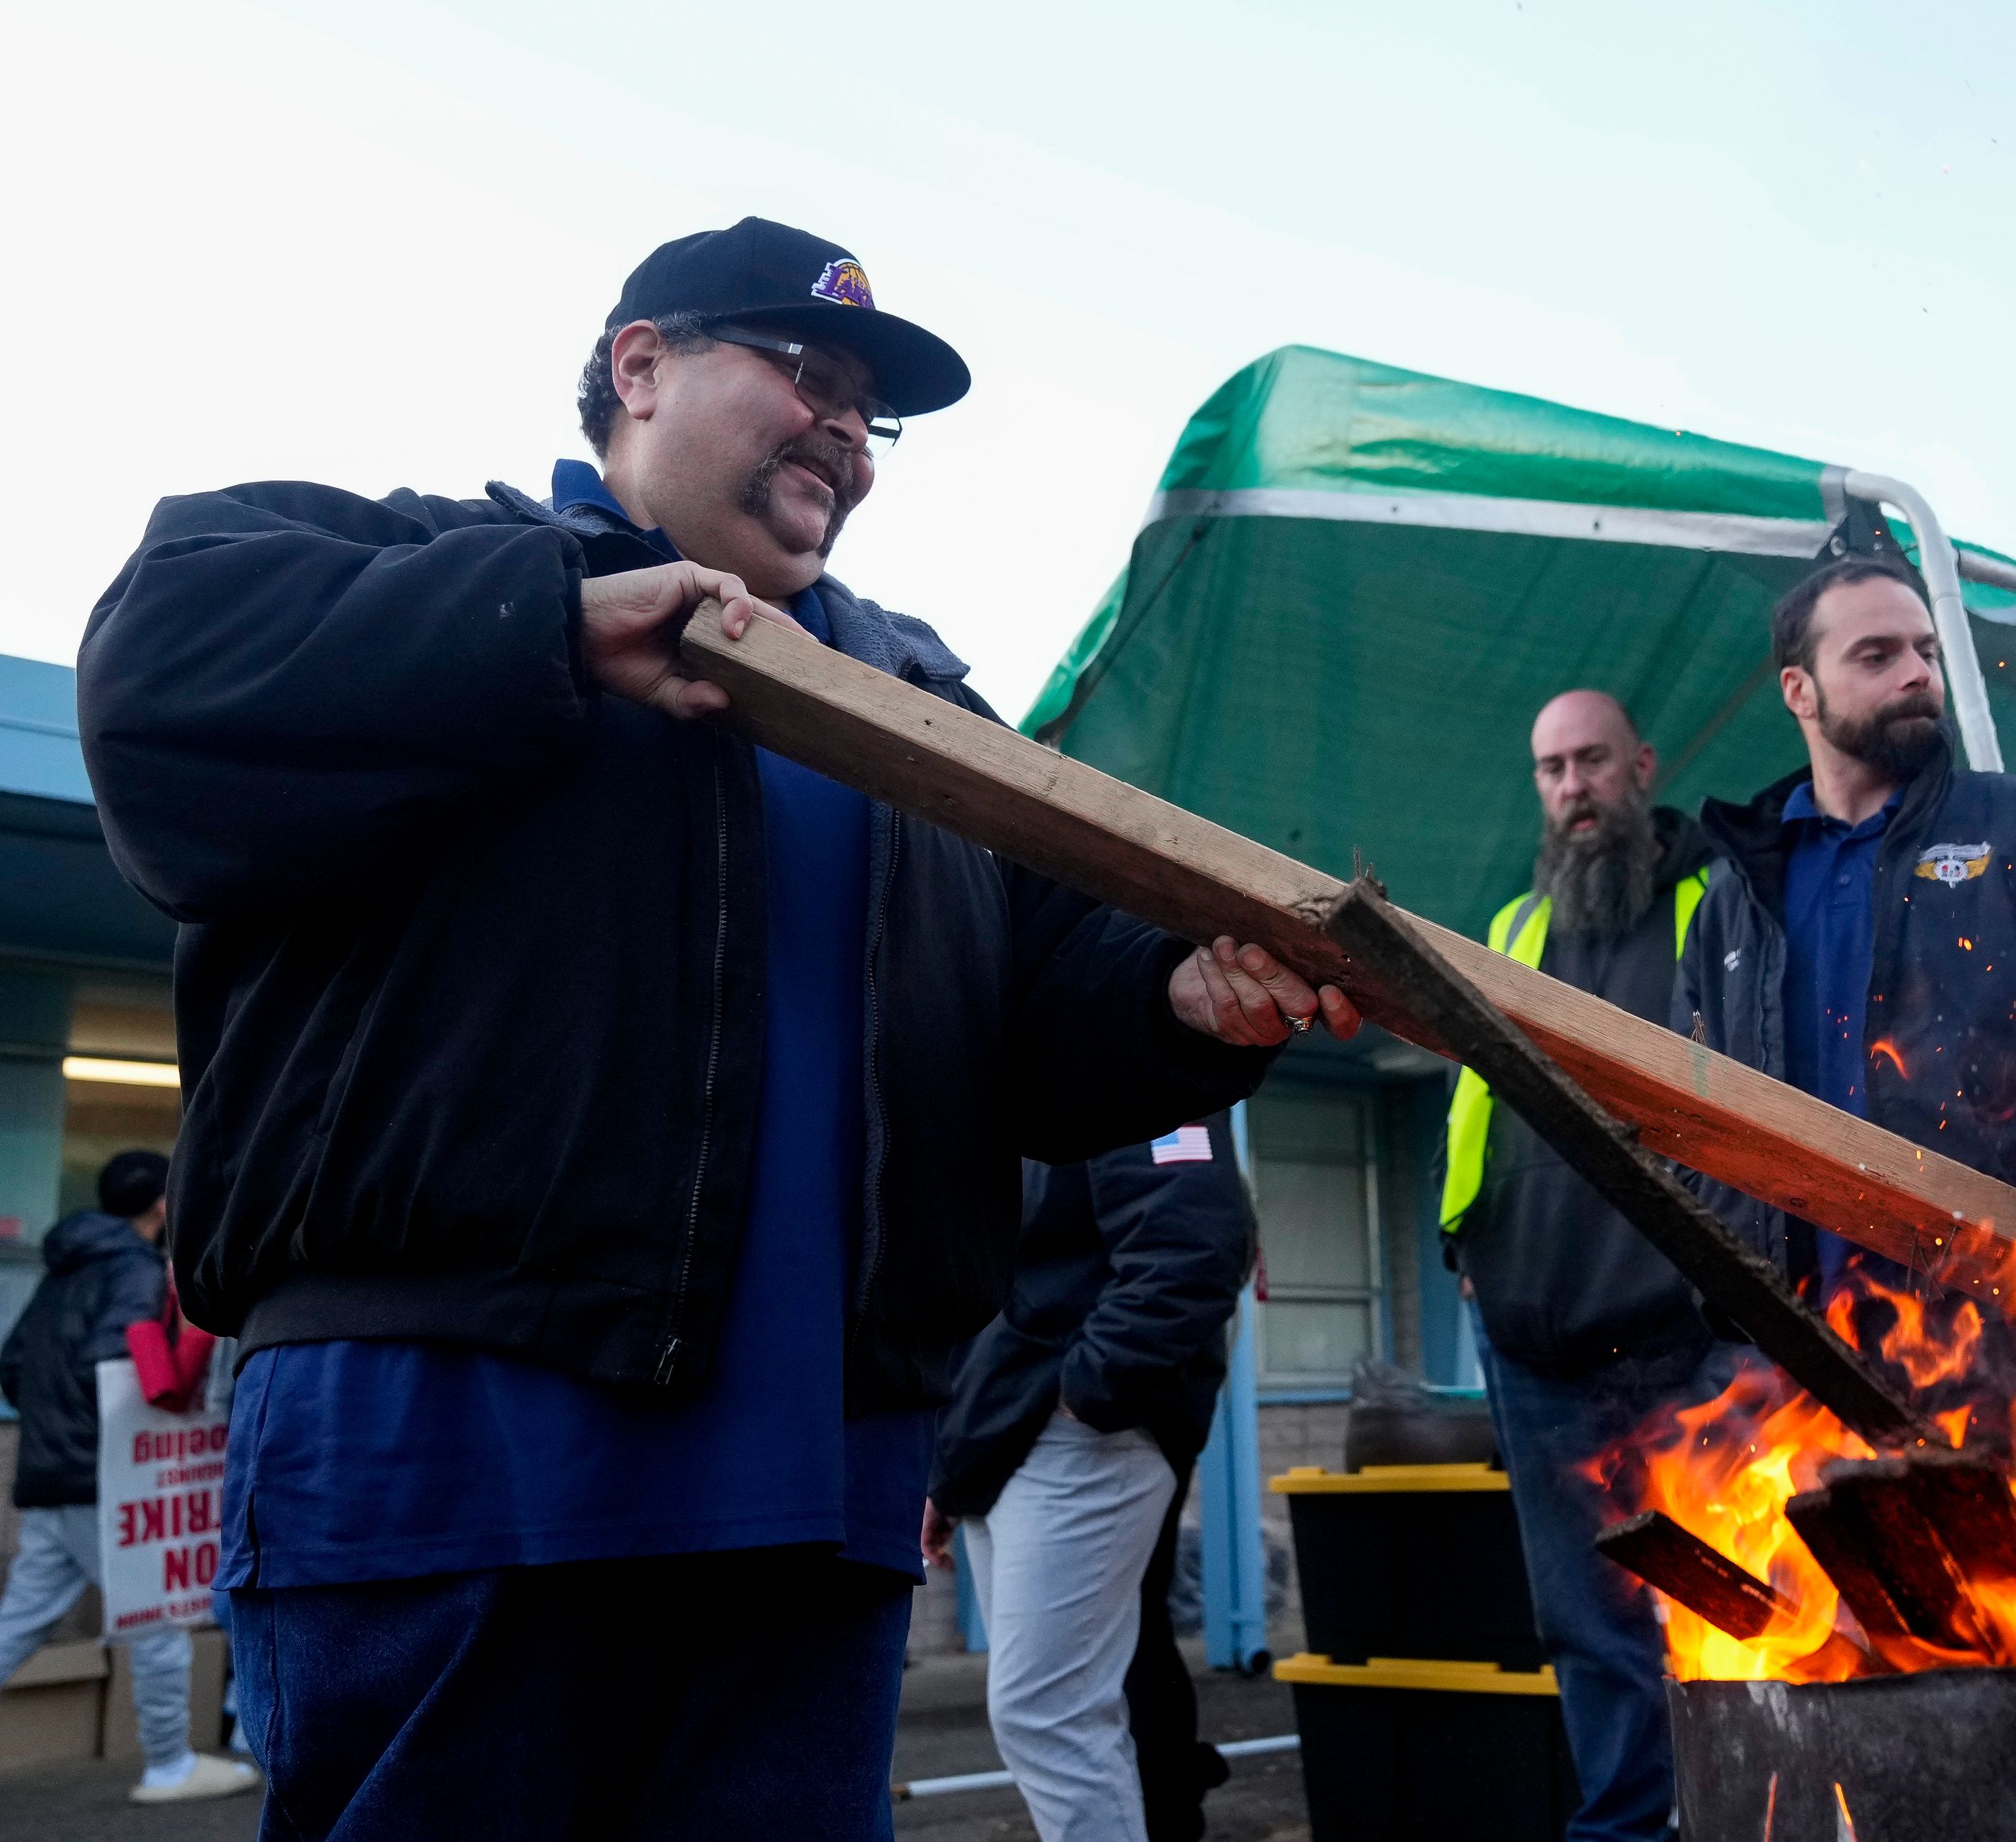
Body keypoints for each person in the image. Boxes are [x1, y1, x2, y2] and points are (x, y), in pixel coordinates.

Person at [76, 217, 1358, 1842]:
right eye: (802, 369)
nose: (842, 423)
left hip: (817, 1500)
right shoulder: (418, 568)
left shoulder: (926, 717)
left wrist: (1185, 998)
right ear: (638, 367)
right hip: (454, 1466)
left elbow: (1048, 1010)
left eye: (865, 409)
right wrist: (547, 622)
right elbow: (155, 676)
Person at [1674, 554, 2016, 1312]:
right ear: (1799, 690)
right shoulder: (1732, 902)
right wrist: (1735, 1272)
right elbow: (1683, 1107)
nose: (1918, 673)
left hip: (2007, 1349)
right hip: (1792, 1363)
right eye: (1877, 655)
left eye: (1926, 650)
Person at [1437, 691, 1733, 1842]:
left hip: (1683, 1341)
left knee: (1714, 1607)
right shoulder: (1515, 927)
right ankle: (1624, 1834)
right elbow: (1473, 1106)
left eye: (1592, 761)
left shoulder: (1716, 907)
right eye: (1552, 768)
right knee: (1588, 1625)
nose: (1573, 788)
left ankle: (1741, 1817)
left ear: (1641, 766)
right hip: (1535, 1349)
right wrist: (1463, 1244)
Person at [926, 1112, 1252, 1842]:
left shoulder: (1150, 1080)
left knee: (1051, 1711)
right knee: (1060, 1711)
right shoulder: (1013, 1083)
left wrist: (1089, 1397)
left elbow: (1194, 1246)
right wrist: (951, 1472)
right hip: (1002, 1438)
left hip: (1074, 1435)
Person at [0, 1151, 256, 1805]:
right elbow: (129, 1364)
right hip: (107, 1480)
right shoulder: (138, 1270)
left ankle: (172, 1762)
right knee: (159, 1618)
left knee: (20, 1621)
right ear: (163, 1204)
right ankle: (169, 1764)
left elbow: (14, 1363)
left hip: (50, 1474)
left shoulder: (65, 1269)